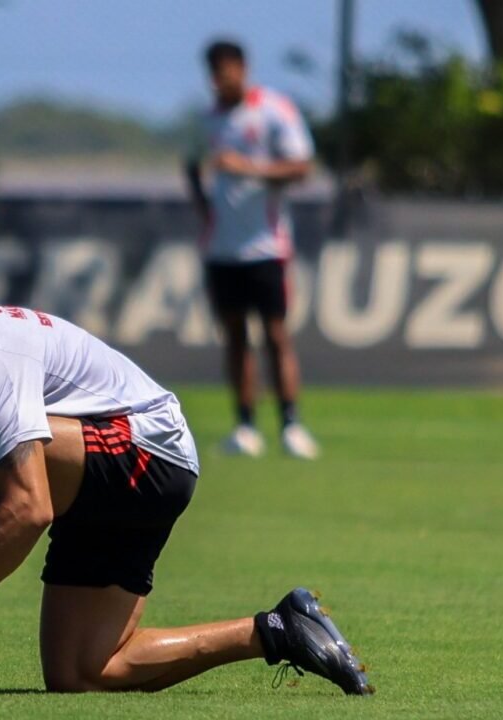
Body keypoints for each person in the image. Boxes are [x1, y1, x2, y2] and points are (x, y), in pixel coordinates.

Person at [0, 288, 372, 695]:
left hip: (149, 453)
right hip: (101, 476)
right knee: (82, 672)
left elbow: (28, 507)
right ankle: (278, 630)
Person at [184, 39, 319, 459]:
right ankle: (245, 426)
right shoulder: (208, 119)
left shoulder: (274, 110)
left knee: (276, 335)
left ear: (243, 68)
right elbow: (197, 171)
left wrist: (249, 168)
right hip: (222, 249)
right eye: (214, 73)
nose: (220, 80)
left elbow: (301, 168)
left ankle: (291, 425)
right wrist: (203, 203)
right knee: (235, 338)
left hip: (266, 244)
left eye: (226, 70)